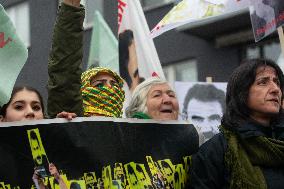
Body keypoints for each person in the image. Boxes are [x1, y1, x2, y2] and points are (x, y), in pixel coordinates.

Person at [189, 58, 284, 189]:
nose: (275, 89)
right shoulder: (216, 151)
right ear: (242, 92)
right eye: (263, 82)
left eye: (277, 82)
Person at [47, 0, 125, 119]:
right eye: (99, 85)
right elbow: (65, 71)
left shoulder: (130, 132)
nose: (109, 88)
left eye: (114, 85)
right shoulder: (73, 118)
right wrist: (71, 8)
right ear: (81, 92)